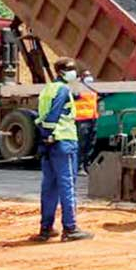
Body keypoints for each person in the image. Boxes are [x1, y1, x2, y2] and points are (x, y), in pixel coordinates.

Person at [30, 58, 93, 242]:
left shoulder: (47, 89)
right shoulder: (63, 90)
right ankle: (70, 228)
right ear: (61, 72)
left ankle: (46, 228)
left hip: (50, 144)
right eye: (70, 69)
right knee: (67, 185)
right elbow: (53, 116)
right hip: (63, 142)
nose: (74, 72)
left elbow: (42, 115)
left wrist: (44, 137)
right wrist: (49, 132)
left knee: (49, 186)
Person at [73, 70, 100, 175]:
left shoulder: (92, 88)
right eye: (86, 76)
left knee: (90, 144)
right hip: (81, 119)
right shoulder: (77, 87)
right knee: (81, 144)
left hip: (92, 118)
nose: (89, 78)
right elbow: (73, 95)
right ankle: (78, 167)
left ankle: (86, 165)